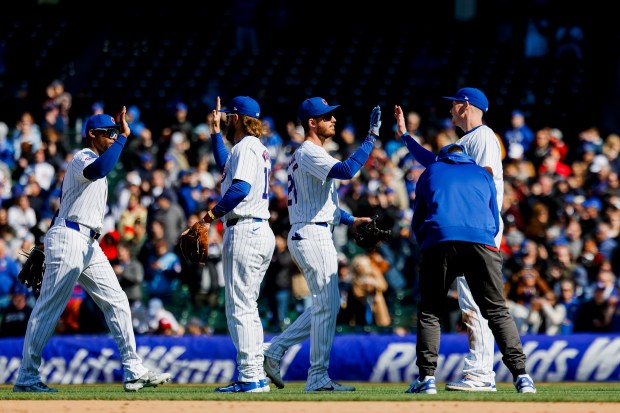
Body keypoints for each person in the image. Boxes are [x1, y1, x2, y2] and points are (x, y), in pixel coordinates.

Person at [13, 109, 171, 393]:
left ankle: (133, 369)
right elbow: (99, 170)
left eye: (114, 132)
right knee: (50, 308)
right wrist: (123, 136)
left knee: (118, 301)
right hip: (70, 237)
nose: (112, 137)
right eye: (108, 133)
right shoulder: (82, 157)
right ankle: (27, 377)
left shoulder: (99, 160)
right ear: (92, 134)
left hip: (88, 243)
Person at [263, 97, 380, 392]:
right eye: (327, 116)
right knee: (327, 305)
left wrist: (351, 220)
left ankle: (277, 352)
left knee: (324, 305)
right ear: (311, 123)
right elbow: (346, 171)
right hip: (311, 233)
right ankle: (313, 374)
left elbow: (325, 205)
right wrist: (370, 139)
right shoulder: (309, 152)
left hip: (313, 229)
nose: (334, 120)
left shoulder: (310, 155)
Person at [394, 87, 502, 391]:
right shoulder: (464, 142)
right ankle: (480, 371)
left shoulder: (482, 136)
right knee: (472, 299)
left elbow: (484, 178)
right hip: (471, 229)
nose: (450, 109)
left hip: (477, 229)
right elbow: (436, 166)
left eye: (454, 104)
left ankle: (481, 374)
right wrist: (406, 138)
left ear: (466, 106)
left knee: (475, 302)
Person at [406, 143, 536, 394]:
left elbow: (418, 216)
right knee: (497, 311)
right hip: (481, 242)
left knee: (431, 311)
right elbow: (494, 218)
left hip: (439, 239)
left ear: (443, 156)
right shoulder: (481, 173)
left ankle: (426, 379)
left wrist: (427, 243)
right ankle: (522, 377)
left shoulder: (431, 171)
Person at [189, 95, 275, 393]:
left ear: (236, 118)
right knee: (247, 305)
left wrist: (209, 216)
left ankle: (250, 376)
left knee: (239, 306)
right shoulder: (253, 148)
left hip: (245, 229)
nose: (224, 120)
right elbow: (228, 169)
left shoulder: (247, 147)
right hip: (256, 229)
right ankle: (255, 376)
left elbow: (239, 188)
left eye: (227, 117)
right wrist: (214, 134)